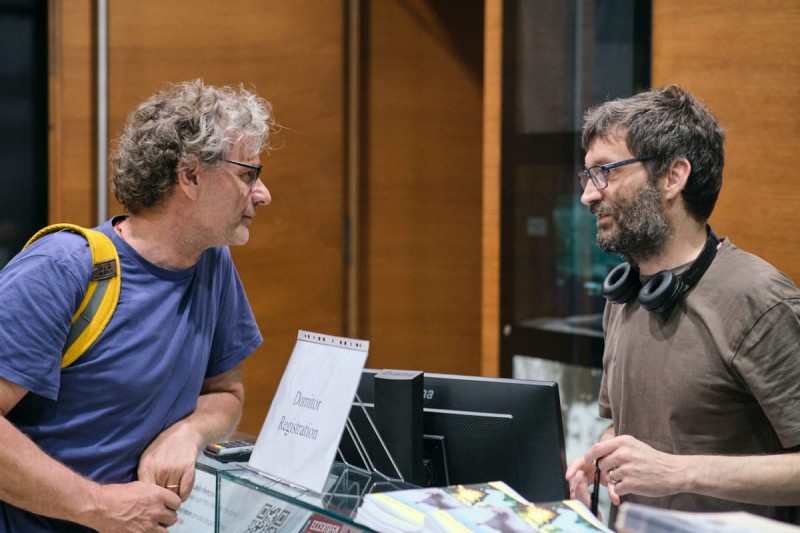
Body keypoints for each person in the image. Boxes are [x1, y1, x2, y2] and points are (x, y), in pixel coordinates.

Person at [0, 79, 274, 531]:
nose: (262, 194)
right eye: (248, 174)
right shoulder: (62, 268)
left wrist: (187, 434)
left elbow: (226, 395)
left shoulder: (213, 262)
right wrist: (97, 506)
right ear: (189, 177)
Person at [565, 85, 800, 526]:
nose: (589, 195)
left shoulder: (759, 299)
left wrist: (679, 471)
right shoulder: (625, 294)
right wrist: (600, 457)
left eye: (606, 172)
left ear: (673, 176)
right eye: (588, 176)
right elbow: (633, 428)